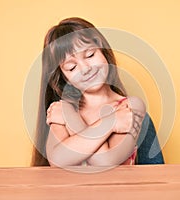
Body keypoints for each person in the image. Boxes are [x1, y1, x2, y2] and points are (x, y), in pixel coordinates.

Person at [31, 17, 163, 167]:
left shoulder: (129, 107)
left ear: (103, 51)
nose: (85, 69)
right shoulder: (62, 110)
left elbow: (105, 162)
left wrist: (74, 120)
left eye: (90, 55)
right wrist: (110, 123)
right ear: (63, 78)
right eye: (71, 67)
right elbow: (57, 160)